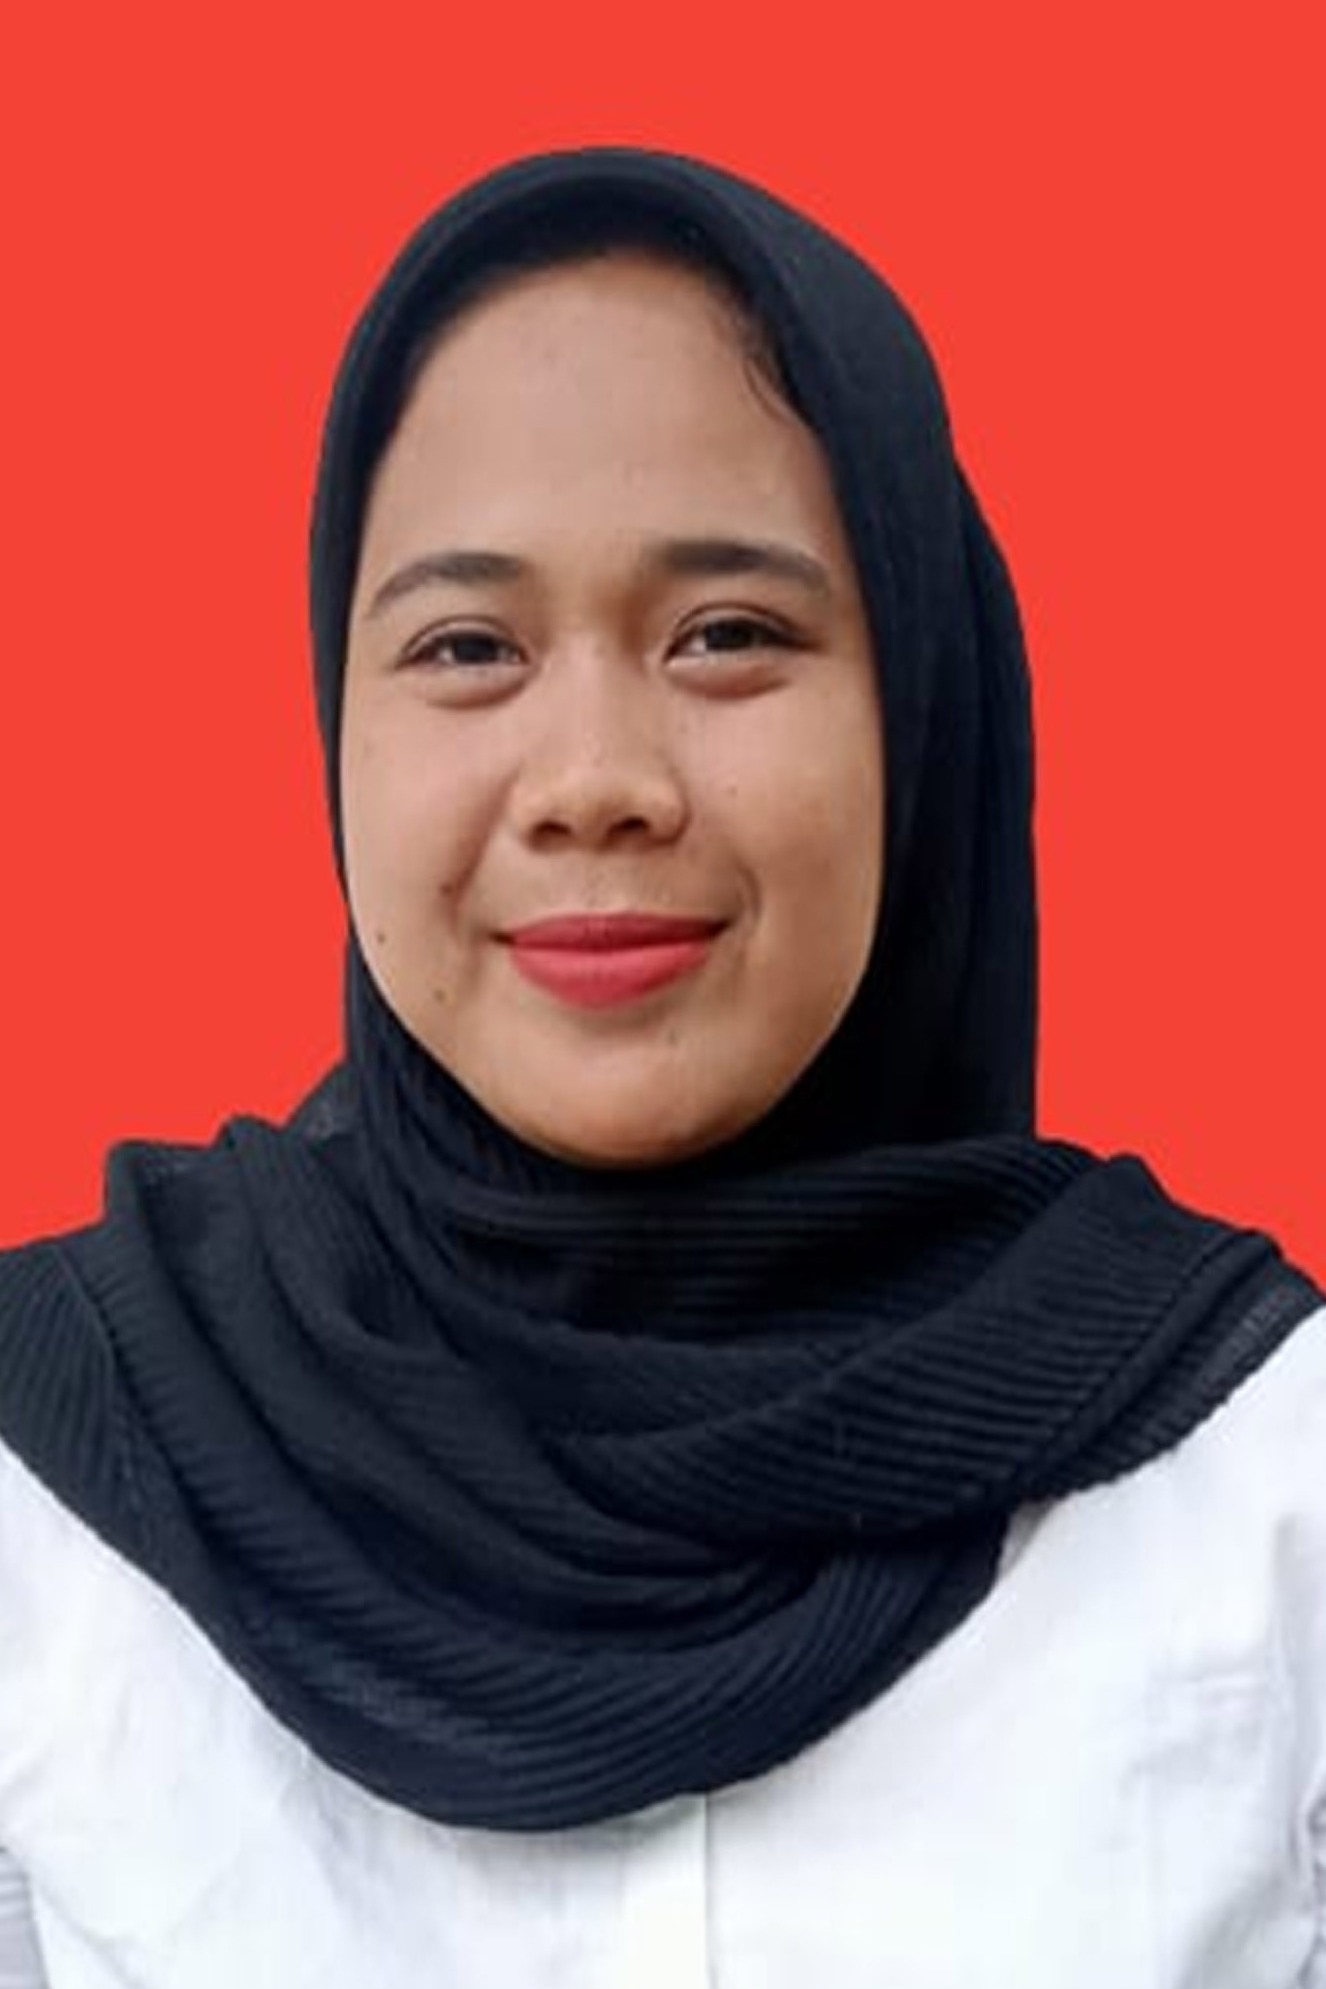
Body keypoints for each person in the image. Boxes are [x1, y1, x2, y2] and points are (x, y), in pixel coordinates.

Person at [0, 146, 1322, 1987]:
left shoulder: (1263, 1495)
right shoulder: (55, 1494)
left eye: (729, 635)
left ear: (922, 703)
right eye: (467, 645)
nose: (594, 779)